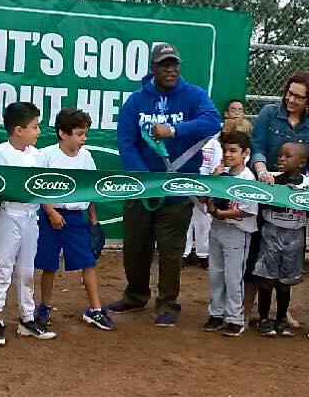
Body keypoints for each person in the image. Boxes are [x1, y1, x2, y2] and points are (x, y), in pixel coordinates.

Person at [109, 43, 222, 326]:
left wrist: (173, 130)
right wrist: (144, 177)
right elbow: (126, 140)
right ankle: (135, 295)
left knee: (171, 250)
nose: (170, 69)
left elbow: (212, 122)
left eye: (174, 64)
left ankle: (168, 303)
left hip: (177, 187)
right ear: (153, 68)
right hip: (142, 187)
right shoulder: (136, 101)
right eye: (164, 64)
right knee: (136, 246)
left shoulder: (194, 95)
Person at [246, 72, 309, 327]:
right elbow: (256, 147)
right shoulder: (269, 114)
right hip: (265, 192)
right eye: (289, 93)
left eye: (298, 97)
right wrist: (261, 171)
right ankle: (247, 309)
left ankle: (281, 313)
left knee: (288, 259)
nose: (291, 99)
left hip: (294, 199)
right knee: (257, 254)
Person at [34, 107, 114, 331]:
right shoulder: (46, 155)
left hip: (77, 219)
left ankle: (95, 310)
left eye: (85, 134)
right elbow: (37, 187)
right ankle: (44, 307)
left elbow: (91, 190)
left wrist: (94, 221)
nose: (83, 139)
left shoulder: (86, 157)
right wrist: (50, 212)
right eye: (79, 134)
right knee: (49, 265)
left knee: (88, 262)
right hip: (50, 218)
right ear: (63, 133)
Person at [0, 101, 55, 346]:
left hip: (30, 217)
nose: (38, 132)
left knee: (26, 269)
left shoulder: (38, 156)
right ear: (18, 130)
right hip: (7, 215)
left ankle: (27, 318)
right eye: (34, 127)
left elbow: (43, 188)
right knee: (3, 267)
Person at [252, 142, 309, 337]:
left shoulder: (308, 184)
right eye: (279, 155)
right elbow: (262, 205)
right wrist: (278, 190)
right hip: (271, 231)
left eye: (287, 156)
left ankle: (281, 318)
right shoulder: (271, 179)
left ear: (302, 162)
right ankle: (263, 318)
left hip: (295, 235)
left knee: (285, 281)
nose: (281, 159)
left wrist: (297, 195)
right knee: (266, 278)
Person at [202, 131, 258, 337]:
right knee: (216, 273)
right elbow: (204, 197)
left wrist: (220, 213)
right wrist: (214, 179)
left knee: (234, 276)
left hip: (237, 231)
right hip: (217, 229)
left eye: (233, 151)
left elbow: (247, 210)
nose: (228, 155)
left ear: (246, 153)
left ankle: (235, 316)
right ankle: (216, 313)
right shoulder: (220, 175)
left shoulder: (248, 178)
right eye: (225, 151)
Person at [183, 134, 223, 268]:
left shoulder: (213, 144)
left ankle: (203, 255)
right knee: (185, 221)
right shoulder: (186, 140)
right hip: (186, 186)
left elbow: (216, 167)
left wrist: (207, 189)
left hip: (205, 188)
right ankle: (183, 254)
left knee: (204, 223)